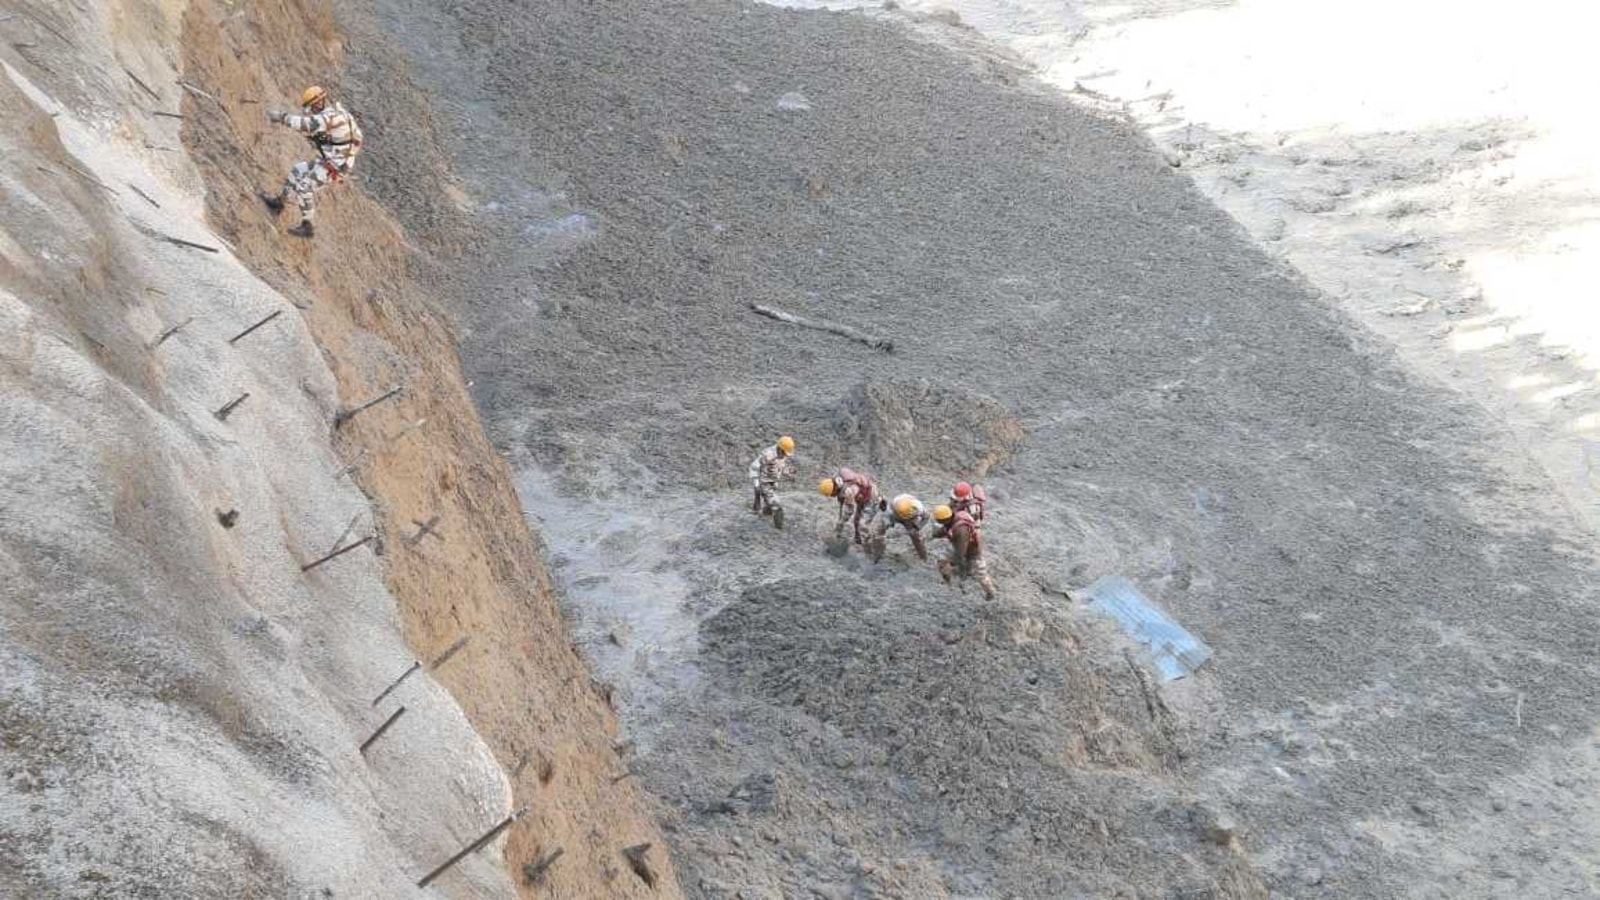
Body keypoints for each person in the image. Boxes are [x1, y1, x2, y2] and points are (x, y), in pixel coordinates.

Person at [260, 86, 363, 238]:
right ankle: (280, 202)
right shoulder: (338, 113)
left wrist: (281, 117)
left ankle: (307, 226)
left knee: (304, 186)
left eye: (313, 107)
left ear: (319, 103)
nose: (312, 110)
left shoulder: (329, 118)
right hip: (331, 161)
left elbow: (305, 125)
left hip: (335, 166)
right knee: (298, 170)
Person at [932, 504, 996, 600]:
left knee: (981, 575)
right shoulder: (957, 516)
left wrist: (956, 565)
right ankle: (949, 583)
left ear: (944, 520)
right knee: (942, 560)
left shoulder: (960, 530)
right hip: (965, 545)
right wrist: (937, 534)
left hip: (973, 551)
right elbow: (944, 529)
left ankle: (990, 593)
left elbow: (960, 552)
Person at [818, 467, 877, 544]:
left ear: (835, 489)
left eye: (831, 494)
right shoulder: (839, 480)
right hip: (861, 494)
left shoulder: (848, 492)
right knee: (856, 522)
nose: (832, 496)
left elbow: (850, 511)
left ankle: (869, 544)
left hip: (871, 497)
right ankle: (859, 539)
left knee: (861, 525)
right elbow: (842, 508)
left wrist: (839, 526)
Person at [748, 435, 797, 529]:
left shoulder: (781, 454)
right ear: (780, 448)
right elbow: (754, 467)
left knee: (769, 501)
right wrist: (756, 485)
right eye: (784, 453)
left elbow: (779, 467)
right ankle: (778, 527)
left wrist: (788, 474)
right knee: (776, 504)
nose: (785, 456)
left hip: (772, 482)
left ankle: (764, 511)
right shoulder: (768, 455)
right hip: (764, 483)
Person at [866, 493, 930, 563]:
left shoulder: (918, 507)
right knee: (877, 532)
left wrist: (917, 527)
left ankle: (924, 558)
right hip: (895, 515)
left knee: (916, 536)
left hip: (910, 518)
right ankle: (877, 555)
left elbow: (926, 517)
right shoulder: (889, 510)